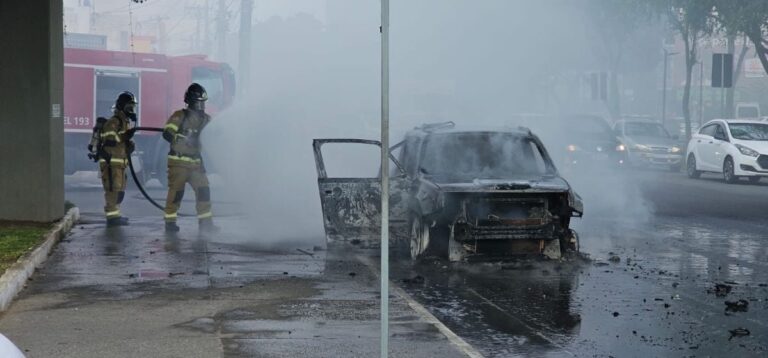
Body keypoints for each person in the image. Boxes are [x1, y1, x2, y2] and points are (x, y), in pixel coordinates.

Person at [162, 83, 218, 233]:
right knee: (176, 193)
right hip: (178, 163)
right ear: (191, 102)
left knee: (204, 191)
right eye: (199, 102)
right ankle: (170, 223)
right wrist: (186, 138)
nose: (202, 106)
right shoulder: (179, 116)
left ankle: (206, 224)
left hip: (196, 164)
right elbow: (167, 133)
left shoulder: (206, 119)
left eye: (203, 103)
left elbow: (214, 136)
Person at [96, 91, 137, 227]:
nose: (131, 110)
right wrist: (125, 137)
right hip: (111, 162)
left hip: (119, 163)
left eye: (133, 107)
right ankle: (112, 218)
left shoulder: (125, 122)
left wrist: (129, 145)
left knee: (119, 191)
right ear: (122, 106)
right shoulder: (114, 121)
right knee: (113, 190)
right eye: (129, 106)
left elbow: (121, 141)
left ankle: (116, 215)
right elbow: (110, 138)